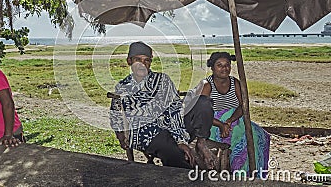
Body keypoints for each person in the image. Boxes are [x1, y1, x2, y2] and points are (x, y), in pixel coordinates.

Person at [110, 41, 216, 169]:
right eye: (138, 60)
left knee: (203, 102)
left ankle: (201, 142)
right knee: (176, 155)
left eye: (147, 60)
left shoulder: (162, 80)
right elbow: (115, 115)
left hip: (173, 126)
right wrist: (120, 135)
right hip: (147, 134)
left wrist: (180, 140)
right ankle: (186, 177)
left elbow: (175, 109)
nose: (142, 64)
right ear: (129, 61)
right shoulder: (122, 88)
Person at [199, 52, 270, 173]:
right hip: (212, 122)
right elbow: (201, 112)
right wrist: (221, 125)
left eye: (227, 65)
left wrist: (230, 120)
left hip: (234, 119)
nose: (224, 68)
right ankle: (236, 173)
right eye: (219, 65)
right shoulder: (207, 85)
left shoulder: (235, 82)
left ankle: (252, 173)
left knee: (260, 136)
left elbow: (243, 106)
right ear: (212, 67)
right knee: (238, 137)